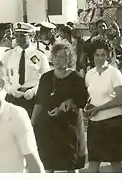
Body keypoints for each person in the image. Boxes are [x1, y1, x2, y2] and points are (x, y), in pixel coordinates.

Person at [32, 43, 88, 173]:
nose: (57, 59)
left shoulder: (76, 78)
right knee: (48, 165)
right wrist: (31, 123)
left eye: (61, 56)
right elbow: (39, 102)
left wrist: (65, 106)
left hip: (69, 128)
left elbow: (82, 101)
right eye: (55, 56)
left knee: (70, 166)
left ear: (68, 58)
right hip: (48, 128)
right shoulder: (46, 77)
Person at [84, 39, 122, 173]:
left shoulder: (114, 73)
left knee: (115, 164)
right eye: (97, 55)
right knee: (93, 162)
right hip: (95, 124)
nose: (100, 58)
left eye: (103, 54)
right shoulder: (89, 74)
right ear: (92, 56)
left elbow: (121, 98)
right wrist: (88, 108)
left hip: (113, 123)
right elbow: (90, 96)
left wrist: (99, 108)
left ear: (108, 56)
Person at [2, 23, 50, 117]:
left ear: (31, 36)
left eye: (22, 36)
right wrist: (11, 90)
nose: (18, 38)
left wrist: (33, 91)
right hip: (13, 98)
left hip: (32, 99)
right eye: (16, 35)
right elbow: (3, 77)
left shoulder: (40, 55)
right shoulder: (8, 55)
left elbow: (46, 78)